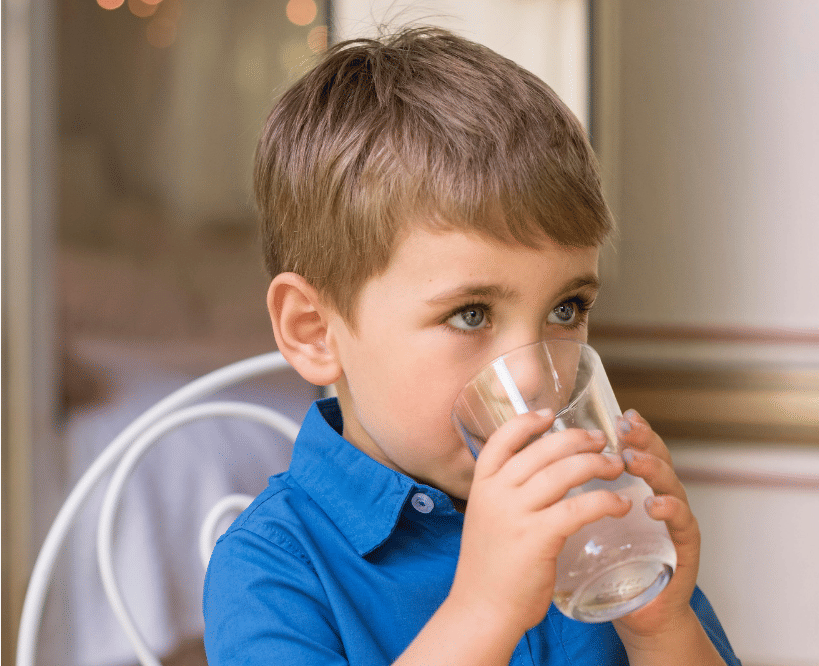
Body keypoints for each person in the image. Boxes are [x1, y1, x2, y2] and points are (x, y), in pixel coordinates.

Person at [203, 27, 740, 666]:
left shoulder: (591, 513)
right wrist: (484, 609)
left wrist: (661, 625)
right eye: (471, 314)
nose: (535, 377)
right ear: (315, 331)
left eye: (566, 309)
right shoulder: (273, 568)